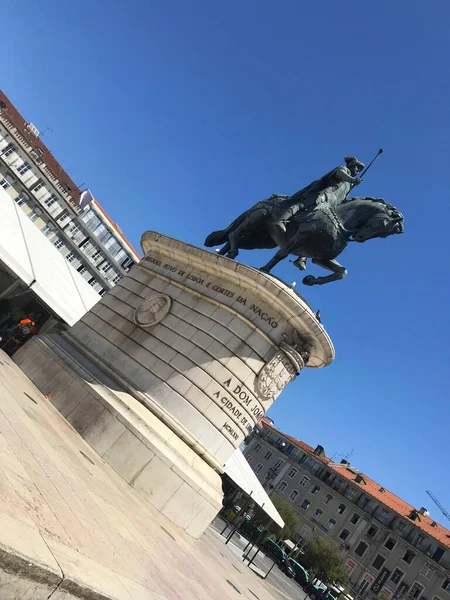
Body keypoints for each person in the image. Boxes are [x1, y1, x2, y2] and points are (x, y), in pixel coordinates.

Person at [267, 156, 365, 244]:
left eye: (360, 169)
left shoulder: (349, 186)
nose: (358, 171)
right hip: (323, 196)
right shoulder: (342, 169)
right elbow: (340, 174)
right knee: (302, 205)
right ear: (351, 165)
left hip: (331, 205)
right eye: (357, 167)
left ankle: (302, 257)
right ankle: (280, 220)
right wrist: (352, 180)